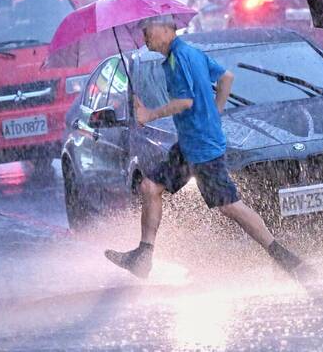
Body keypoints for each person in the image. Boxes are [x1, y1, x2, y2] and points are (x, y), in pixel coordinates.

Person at [104, 15, 310, 280]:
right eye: (142, 31)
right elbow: (226, 77)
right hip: (189, 143)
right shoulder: (191, 53)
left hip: (201, 147)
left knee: (230, 206)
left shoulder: (178, 59)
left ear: (166, 29)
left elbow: (185, 102)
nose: (144, 36)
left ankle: (285, 258)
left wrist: (149, 115)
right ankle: (143, 256)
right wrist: (215, 112)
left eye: (148, 30)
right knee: (150, 187)